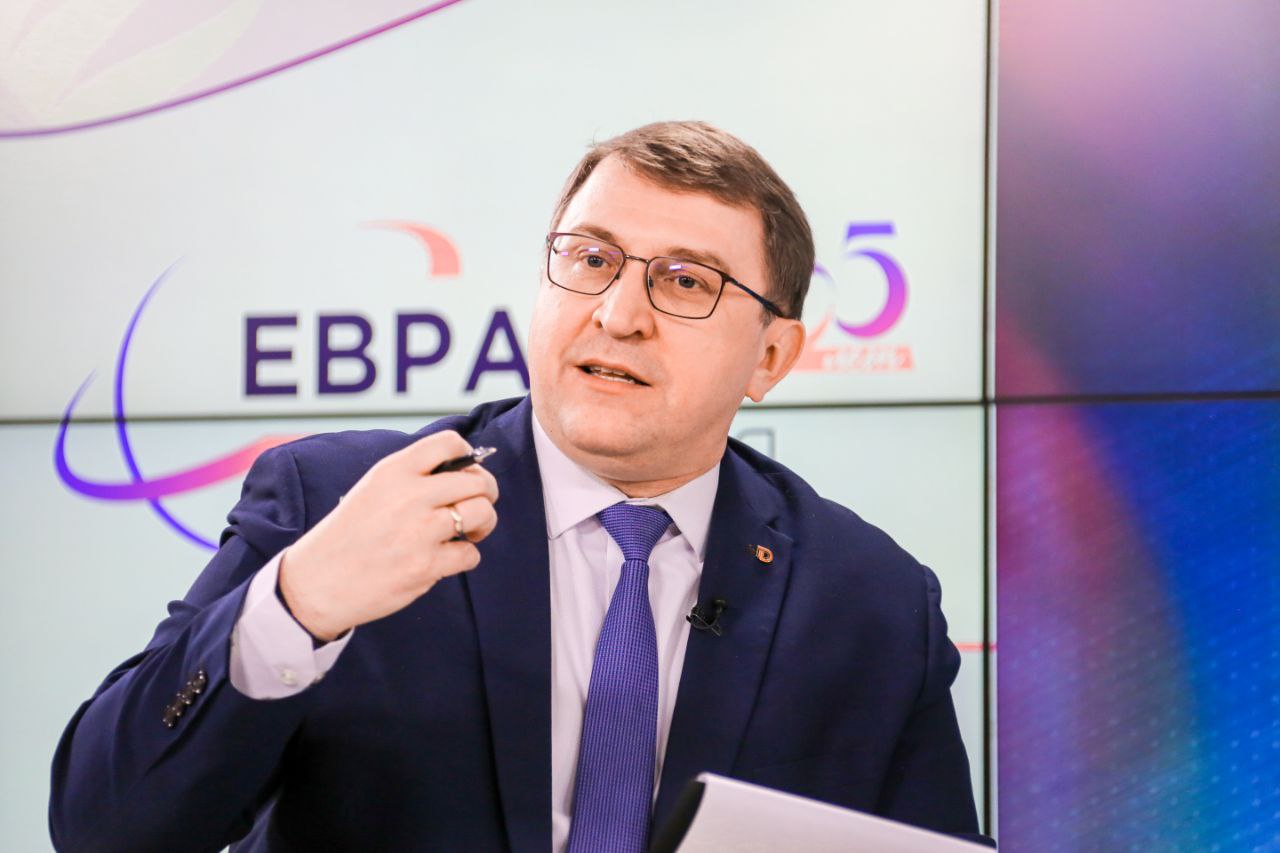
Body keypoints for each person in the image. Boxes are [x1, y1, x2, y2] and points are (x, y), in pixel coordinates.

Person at [50, 121, 990, 851]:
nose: (618, 315)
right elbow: (105, 828)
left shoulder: (871, 603)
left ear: (773, 356)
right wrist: (294, 607)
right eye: (591, 259)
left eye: (685, 282)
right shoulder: (336, 500)